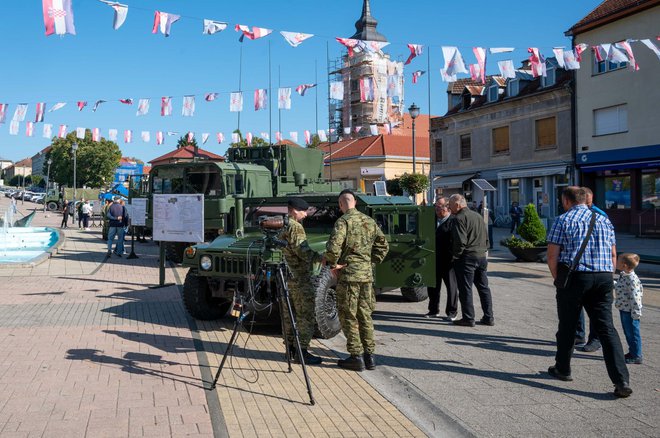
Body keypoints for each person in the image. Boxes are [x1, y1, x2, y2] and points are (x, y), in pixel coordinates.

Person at [546, 186, 631, 398]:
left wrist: (559, 280)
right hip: (603, 277)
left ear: (566, 200)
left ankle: (563, 369)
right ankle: (621, 380)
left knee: (568, 325)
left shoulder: (562, 220)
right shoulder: (604, 220)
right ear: (586, 199)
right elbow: (613, 254)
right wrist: (607, 276)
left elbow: (551, 256)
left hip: (575, 278)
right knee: (607, 328)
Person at [324, 189, 389, 371]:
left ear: (341, 204)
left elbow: (333, 248)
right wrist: (369, 262)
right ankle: (370, 356)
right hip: (366, 276)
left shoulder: (343, 221)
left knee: (348, 315)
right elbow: (383, 246)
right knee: (365, 315)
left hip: (349, 275)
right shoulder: (369, 221)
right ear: (355, 202)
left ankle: (356, 357)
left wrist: (333, 264)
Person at [278, 197, 323, 365]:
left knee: (288, 315)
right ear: (295, 211)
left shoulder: (281, 224)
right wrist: (321, 258)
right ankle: (302, 352)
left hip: (285, 277)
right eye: (304, 211)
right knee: (305, 315)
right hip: (300, 278)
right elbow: (302, 252)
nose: (306, 215)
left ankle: (290, 350)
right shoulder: (296, 227)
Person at [449, 194, 494, 327]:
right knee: (484, 287)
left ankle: (468, 318)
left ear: (458, 205)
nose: (449, 208)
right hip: (481, 256)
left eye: (450, 205)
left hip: (467, 257)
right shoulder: (477, 216)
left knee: (465, 288)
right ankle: (489, 317)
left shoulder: (459, 218)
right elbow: (486, 236)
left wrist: (455, 256)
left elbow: (460, 242)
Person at [575, 187, 605, 352]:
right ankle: (579, 334)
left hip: (595, 268)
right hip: (579, 268)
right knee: (577, 304)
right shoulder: (574, 216)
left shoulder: (600, 216)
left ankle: (595, 339)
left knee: (594, 307)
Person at [425, 197, 458, 320]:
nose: (438, 210)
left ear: (448, 207)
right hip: (432, 258)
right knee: (433, 286)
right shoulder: (431, 220)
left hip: (448, 260)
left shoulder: (453, 221)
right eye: (436, 207)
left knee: (451, 286)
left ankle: (452, 312)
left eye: (440, 208)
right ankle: (433, 310)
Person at [614, 253, 643, 365]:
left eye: (618, 261)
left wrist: (636, 313)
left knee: (633, 333)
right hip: (624, 309)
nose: (616, 262)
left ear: (624, 265)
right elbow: (620, 287)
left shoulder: (632, 279)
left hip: (630, 312)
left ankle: (637, 355)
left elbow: (636, 297)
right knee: (628, 332)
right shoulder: (624, 276)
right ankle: (632, 352)